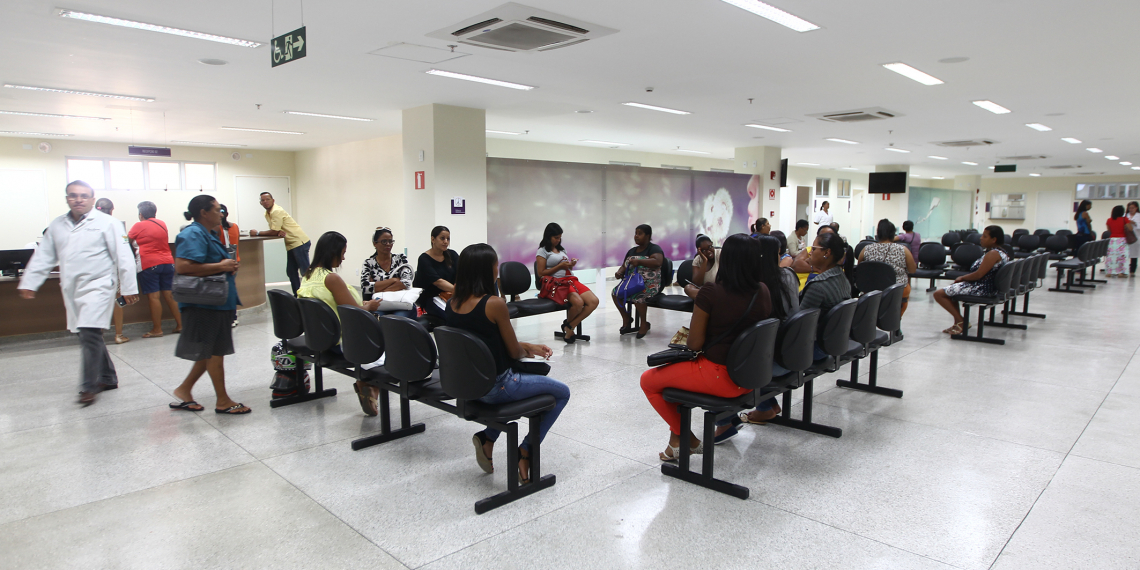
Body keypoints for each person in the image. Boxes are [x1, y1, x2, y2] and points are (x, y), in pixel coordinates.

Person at [446, 243, 570, 485]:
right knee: (562, 393)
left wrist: (528, 345)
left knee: (526, 392)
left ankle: (488, 438)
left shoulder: (453, 303)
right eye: (495, 265)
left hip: (468, 386)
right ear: (486, 270)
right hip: (497, 387)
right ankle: (526, 451)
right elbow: (513, 351)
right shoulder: (494, 303)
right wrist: (523, 348)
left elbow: (483, 340)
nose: (497, 270)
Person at [640, 234, 773, 460]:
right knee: (675, 383)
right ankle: (676, 442)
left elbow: (694, 344)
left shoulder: (712, 292)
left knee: (649, 380)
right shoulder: (762, 290)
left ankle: (688, 439)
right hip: (752, 377)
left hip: (720, 376)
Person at [18, 181, 139, 405]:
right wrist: (30, 282)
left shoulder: (108, 223)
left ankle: (88, 386)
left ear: (93, 200)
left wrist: (130, 287)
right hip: (72, 287)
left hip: (99, 285)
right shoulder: (57, 225)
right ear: (67, 199)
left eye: (84, 196)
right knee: (86, 334)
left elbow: (124, 256)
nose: (78, 199)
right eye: (73, 196)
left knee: (89, 332)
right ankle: (109, 378)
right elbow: (44, 256)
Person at [169, 195, 248, 415]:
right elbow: (183, 267)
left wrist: (226, 266)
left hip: (216, 303)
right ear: (203, 212)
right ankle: (222, 400)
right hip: (204, 304)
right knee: (213, 352)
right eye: (216, 209)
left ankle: (184, 389)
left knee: (210, 351)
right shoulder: (193, 233)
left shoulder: (208, 234)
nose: (220, 213)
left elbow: (209, 263)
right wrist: (221, 265)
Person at [297, 231, 384, 415]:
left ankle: (367, 383)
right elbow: (353, 314)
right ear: (332, 252)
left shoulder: (308, 275)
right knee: (390, 342)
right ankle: (367, 382)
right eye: (342, 252)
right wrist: (370, 306)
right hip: (343, 342)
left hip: (321, 340)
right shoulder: (332, 278)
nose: (344, 258)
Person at [933, 226, 1010, 335]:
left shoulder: (993, 254)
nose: (981, 238)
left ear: (994, 239)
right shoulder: (1001, 252)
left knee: (939, 294)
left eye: (985, 236)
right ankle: (958, 323)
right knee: (951, 290)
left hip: (983, 288)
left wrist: (962, 278)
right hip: (987, 286)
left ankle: (961, 321)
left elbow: (979, 274)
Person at [535, 222, 599, 343]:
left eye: (560, 237)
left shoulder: (562, 249)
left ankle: (569, 326)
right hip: (556, 284)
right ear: (548, 236)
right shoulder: (542, 251)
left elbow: (566, 268)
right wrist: (560, 266)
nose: (558, 240)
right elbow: (541, 273)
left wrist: (571, 265)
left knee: (593, 301)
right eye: (556, 238)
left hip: (570, 280)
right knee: (578, 303)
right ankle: (570, 328)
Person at [129, 201, 183, 338]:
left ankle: (157, 330)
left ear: (140, 214)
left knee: (154, 297)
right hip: (168, 263)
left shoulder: (138, 225)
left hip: (149, 263)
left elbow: (127, 240)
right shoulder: (162, 223)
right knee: (170, 295)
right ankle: (181, 325)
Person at [250, 192, 310, 296]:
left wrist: (258, 233)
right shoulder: (267, 213)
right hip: (291, 243)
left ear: (273, 200)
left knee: (305, 272)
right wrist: (276, 232)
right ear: (260, 203)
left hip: (299, 242)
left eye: (267, 199)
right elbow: (275, 231)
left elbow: (274, 231)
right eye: (263, 200)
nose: (265, 202)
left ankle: (311, 296)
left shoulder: (276, 211)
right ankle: (298, 295)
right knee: (291, 272)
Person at [612, 224, 664, 339]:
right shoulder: (632, 251)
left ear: (648, 235)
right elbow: (624, 266)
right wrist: (619, 272)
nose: (636, 236)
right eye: (635, 233)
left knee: (638, 296)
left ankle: (644, 323)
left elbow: (658, 262)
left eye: (639, 234)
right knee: (615, 293)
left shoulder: (654, 248)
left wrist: (639, 261)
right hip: (632, 283)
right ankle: (626, 318)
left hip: (650, 284)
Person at [95, 198, 132, 345]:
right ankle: (118, 335)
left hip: (94, 270)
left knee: (98, 301)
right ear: (111, 210)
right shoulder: (116, 224)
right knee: (117, 300)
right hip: (113, 268)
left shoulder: (88, 224)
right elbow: (123, 250)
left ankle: (99, 335)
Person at [860, 219, 917, 315]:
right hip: (896, 291)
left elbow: (861, 270)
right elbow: (912, 270)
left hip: (871, 289)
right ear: (893, 234)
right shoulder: (903, 250)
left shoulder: (866, 249)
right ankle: (896, 319)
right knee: (906, 290)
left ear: (878, 233)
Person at [360, 227, 416, 318]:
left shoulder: (400, 258)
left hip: (401, 303)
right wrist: (394, 280)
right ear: (375, 244)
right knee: (381, 321)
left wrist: (377, 286)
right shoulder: (368, 263)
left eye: (390, 241)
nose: (388, 244)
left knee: (397, 321)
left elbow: (406, 282)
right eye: (384, 241)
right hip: (379, 305)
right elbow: (366, 287)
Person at [413, 226, 460, 320]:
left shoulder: (452, 255)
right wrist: (459, 291)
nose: (446, 241)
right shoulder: (424, 259)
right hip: (432, 297)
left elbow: (461, 273)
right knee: (452, 317)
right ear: (433, 239)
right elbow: (438, 282)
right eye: (442, 238)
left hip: (452, 295)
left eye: (448, 239)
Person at [217, 204, 241, 327]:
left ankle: (230, 317)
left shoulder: (217, 228)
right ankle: (233, 317)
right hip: (234, 261)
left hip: (224, 263)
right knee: (230, 289)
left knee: (225, 291)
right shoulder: (235, 226)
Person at [684, 235, 719, 299]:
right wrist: (704, 261)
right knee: (688, 288)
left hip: (719, 289)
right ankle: (712, 298)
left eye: (710, 247)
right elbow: (697, 283)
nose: (708, 251)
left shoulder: (720, 254)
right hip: (706, 291)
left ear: (712, 243)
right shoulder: (697, 260)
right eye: (703, 250)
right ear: (699, 251)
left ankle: (708, 299)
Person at [1105, 205, 1135, 277]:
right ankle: (1121, 272)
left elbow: (1109, 230)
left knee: (1112, 256)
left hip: (1112, 240)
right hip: (1122, 240)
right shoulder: (1125, 219)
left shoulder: (1109, 220)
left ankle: (1110, 271)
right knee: (1122, 257)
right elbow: (1130, 229)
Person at [1127, 201, 1140, 276]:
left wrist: (1134, 223)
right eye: (1130, 208)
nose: (1131, 209)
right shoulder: (1125, 215)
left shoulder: (1139, 216)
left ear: (1136, 208)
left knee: (1134, 255)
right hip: (1126, 237)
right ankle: (1124, 269)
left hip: (1136, 237)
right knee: (1125, 254)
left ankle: (1132, 271)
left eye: (1133, 208)